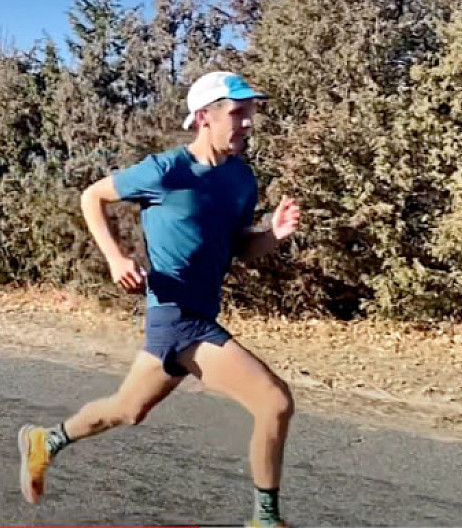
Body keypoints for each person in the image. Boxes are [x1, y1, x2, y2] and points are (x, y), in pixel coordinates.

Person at [17, 71, 301, 528]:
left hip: (197, 312)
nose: (248, 121)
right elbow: (93, 197)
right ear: (204, 117)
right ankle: (265, 522)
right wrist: (115, 258)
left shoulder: (241, 178)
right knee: (274, 401)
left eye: (250, 112)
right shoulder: (166, 170)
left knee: (127, 410)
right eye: (237, 112)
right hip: (176, 315)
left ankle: (46, 441)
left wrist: (273, 235)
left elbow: (238, 248)